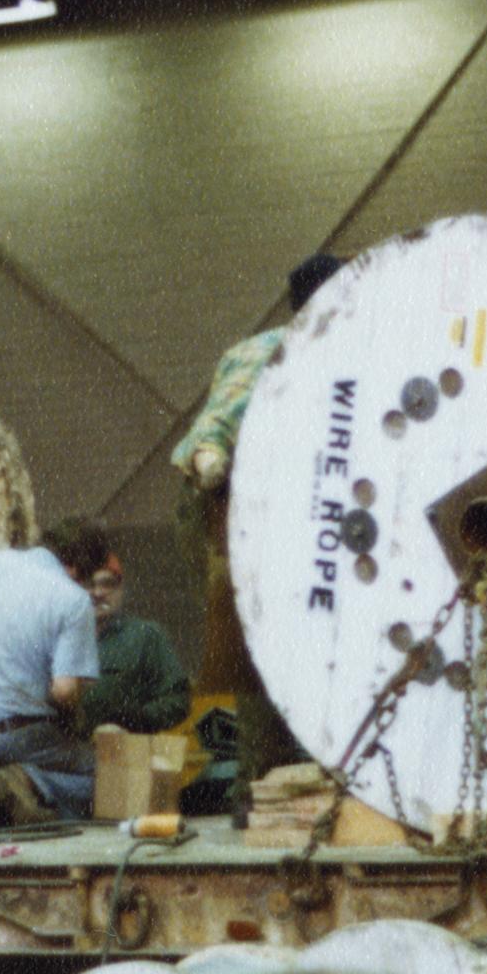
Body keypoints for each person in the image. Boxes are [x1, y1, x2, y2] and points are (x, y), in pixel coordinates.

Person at [174, 251, 343, 786]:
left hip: (308, 522)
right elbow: (212, 431)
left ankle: (298, 767)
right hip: (232, 512)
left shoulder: (364, 356)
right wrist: (213, 462)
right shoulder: (268, 354)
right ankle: (240, 779)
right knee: (246, 646)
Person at [0, 515, 108, 823]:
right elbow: (64, 691)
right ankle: (27, 782)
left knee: (13, 788)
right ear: (77, 569)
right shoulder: (72, 598)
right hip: (18, 734)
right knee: (104, 779)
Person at [82, 553, 190, 735]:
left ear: (121, 590)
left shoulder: (145, 636)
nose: (98, 593)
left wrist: (135, 720)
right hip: (68, 754)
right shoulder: (59, 638)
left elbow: (178, 700)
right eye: (89, 584)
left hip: (129, 754)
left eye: (108, 584)